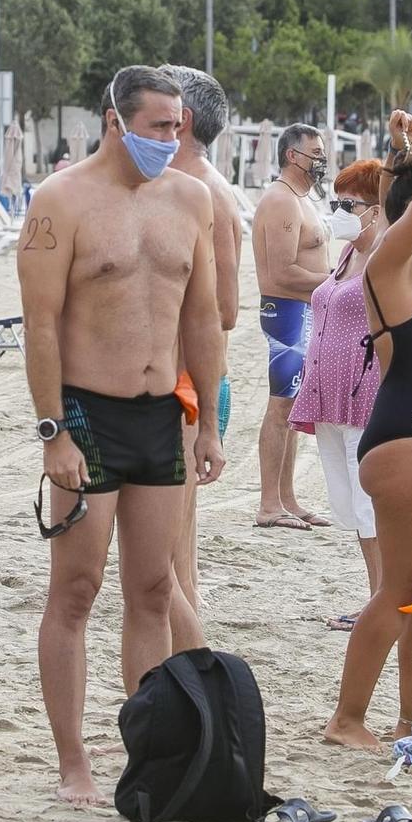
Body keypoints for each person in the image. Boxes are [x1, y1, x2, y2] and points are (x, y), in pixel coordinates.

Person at [20, 66, 225, 806]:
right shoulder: (62, 201)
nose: (172, 140)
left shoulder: (191, 199)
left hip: (161, 415)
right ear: (117, 122)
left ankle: (148, 748)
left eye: (178, 127)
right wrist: (53, 432)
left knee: (151, 587)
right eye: (159, 127)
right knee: (76, 588)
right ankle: (73, 761)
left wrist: (207, 421)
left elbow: (201, 316)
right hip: (86, 413)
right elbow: (39, 323)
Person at [324, 120, 412, 749]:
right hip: (400, 441)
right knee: (402, 588)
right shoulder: (391, 260)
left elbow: (405, 365)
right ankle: (346, 720)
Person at [155, 66, 242, 638]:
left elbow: (226, 309)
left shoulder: (205, 190)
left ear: (181, 121)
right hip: (180, 385)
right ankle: (184, 672)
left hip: (189, 388)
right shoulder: (178, 185)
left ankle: (193, 667)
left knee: (163, 558)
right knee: (171, 555)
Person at [292, 160, 387, 624]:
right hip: (330, 394)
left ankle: (380, 601)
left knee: (369, 504)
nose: (339, 211)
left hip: (364, 394)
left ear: (376, 208)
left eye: (348, 204)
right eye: (336, 202)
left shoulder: (388, 254)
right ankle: (376, 597)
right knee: (350, 504)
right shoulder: (350, 253)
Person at [251, 123, 330, 530]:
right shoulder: (282, 201)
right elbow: (280, 272)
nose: (321, 158)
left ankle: (286, 499)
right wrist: (336, 280)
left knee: (294, 406)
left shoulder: (303, 200)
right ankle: (268, 504)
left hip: (305, 313)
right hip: (287, 313)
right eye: (315, 152)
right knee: (281, 404)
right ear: (291, 155)